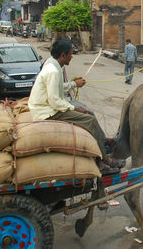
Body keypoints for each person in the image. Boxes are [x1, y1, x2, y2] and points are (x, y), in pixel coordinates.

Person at [28, 39, 124, 174]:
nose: (72, 57)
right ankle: (102, 160)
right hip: (47, 111)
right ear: (63, 55)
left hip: (48, 106)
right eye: (70, 54)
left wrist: (74, 84)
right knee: (88, 119)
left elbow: (59, 89)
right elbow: (55, 101)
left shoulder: (52, 63)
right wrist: (74, 108)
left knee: (88, 112)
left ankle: (103, 141)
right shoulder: (53, 72)